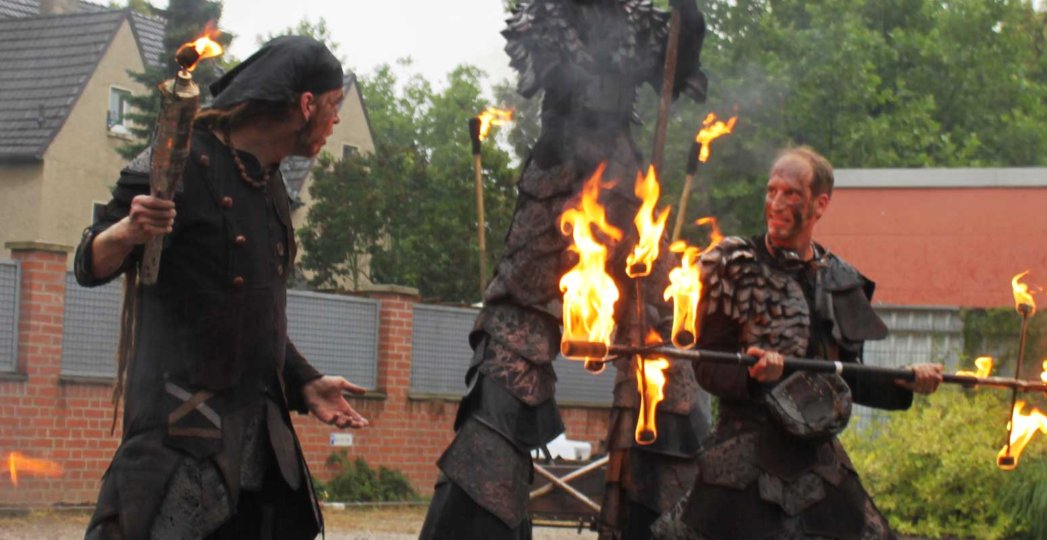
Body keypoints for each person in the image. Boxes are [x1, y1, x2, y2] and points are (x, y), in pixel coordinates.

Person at [419, 0, 708, 538]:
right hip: (556, 187)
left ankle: (662, 516)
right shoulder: (545, 15)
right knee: (510, 350)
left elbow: (678, 69)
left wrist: (688, 21)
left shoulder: (643, 18)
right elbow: (552, 70)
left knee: (659, 352)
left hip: (624, 188)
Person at [78, 36, 369, 540]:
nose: (336, 120)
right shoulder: (177, 159)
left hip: (260, 441)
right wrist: (126, 233)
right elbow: (88, 261)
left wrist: (303, 380)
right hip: (181, 438)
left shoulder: (269, 181)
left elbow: (247, 306)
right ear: (305, 105)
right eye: (334, 106)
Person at [652, 147, 944, 540]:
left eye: (791, 194)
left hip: (814, 454)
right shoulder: (733, 266)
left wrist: (905, 382)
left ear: (820, 203)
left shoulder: (841, 279)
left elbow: (848, 377)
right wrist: (755, 374)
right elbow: (706, 365)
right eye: (772, 191)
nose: (776, 203)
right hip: (743, 449)